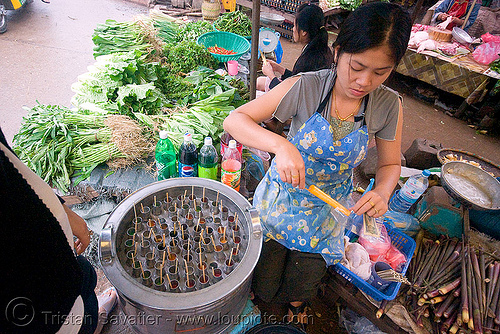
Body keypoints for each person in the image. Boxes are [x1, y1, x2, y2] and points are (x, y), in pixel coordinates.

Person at [223, 2, 411, 329]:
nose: (364, 81)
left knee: (303, 279)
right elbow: (235, 120)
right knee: (266, 280)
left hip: (329, 211)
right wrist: (280, 145)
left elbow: (391, 163)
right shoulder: (306, 86)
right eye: (357, 66)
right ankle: (264, 304)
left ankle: (295, 304)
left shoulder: (388, 105)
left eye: (380, 72)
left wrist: (383, 190)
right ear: (338, 52)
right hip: (280, 201)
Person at [0, 127, 117, 333]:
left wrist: (62, 210)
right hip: (40, 303)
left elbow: (13, 170)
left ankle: (90, 318)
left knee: (83, 277)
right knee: (67, 311)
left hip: (57, 266)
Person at [256, 3, 333, 94]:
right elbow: (296, 78)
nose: (293, 29)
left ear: (304, 32)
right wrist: (279, 69)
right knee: (259, 81)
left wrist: (271, 75)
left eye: (295, 26)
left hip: (296, 101)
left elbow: (290, 96)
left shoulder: (308, 60)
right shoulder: (321, 49)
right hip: (300, 93)